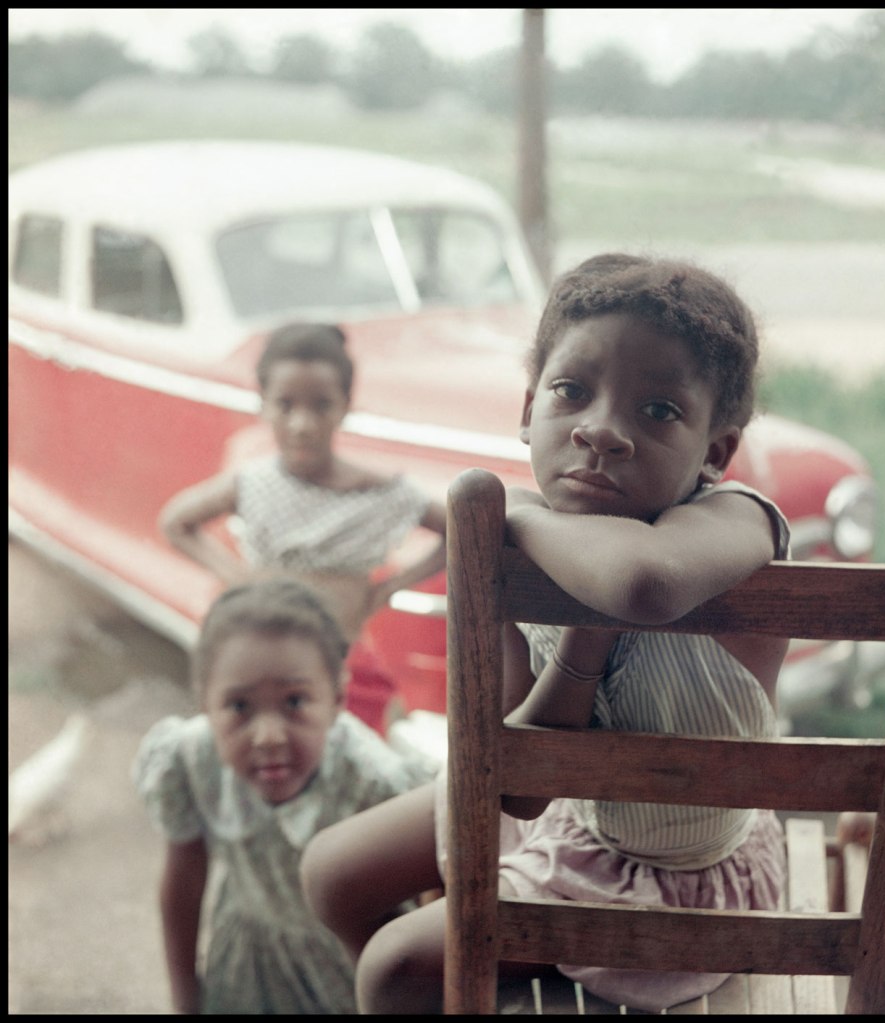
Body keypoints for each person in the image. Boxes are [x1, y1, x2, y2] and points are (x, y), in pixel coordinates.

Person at [299, 252, 792, 1014]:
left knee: (395, 969)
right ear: (530, 408)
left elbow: (642, 583)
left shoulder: (736, 520)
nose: (601, 431)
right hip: (569, 812)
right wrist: (581, 650)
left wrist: (515, 516)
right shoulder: (516, 553)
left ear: (718, 451)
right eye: (572, 390)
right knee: (332, 870)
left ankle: (456, 973)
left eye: (659, 410)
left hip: (680, 877)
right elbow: (521, 788)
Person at [132, 577, 436, 1014]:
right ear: (204, 703)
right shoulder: (191, 759)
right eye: (239, 707)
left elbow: (431, 899)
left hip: (348, 974)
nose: (269, 736)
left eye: (295, 702)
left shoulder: (375, 781)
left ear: (336, 699)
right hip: (246, 964)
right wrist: (185, 999)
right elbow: (183, 882)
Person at [158, 321, 447, 732]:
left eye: (320, 405)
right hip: (262, 671)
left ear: (345, 406)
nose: (302, 423)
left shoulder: (380, 492)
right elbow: (175, 522)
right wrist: (239, 577)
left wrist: (389, 589)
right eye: (286, 405)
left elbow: (459, 530)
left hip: (343, 671)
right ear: (263, 405)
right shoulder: (254, 483)